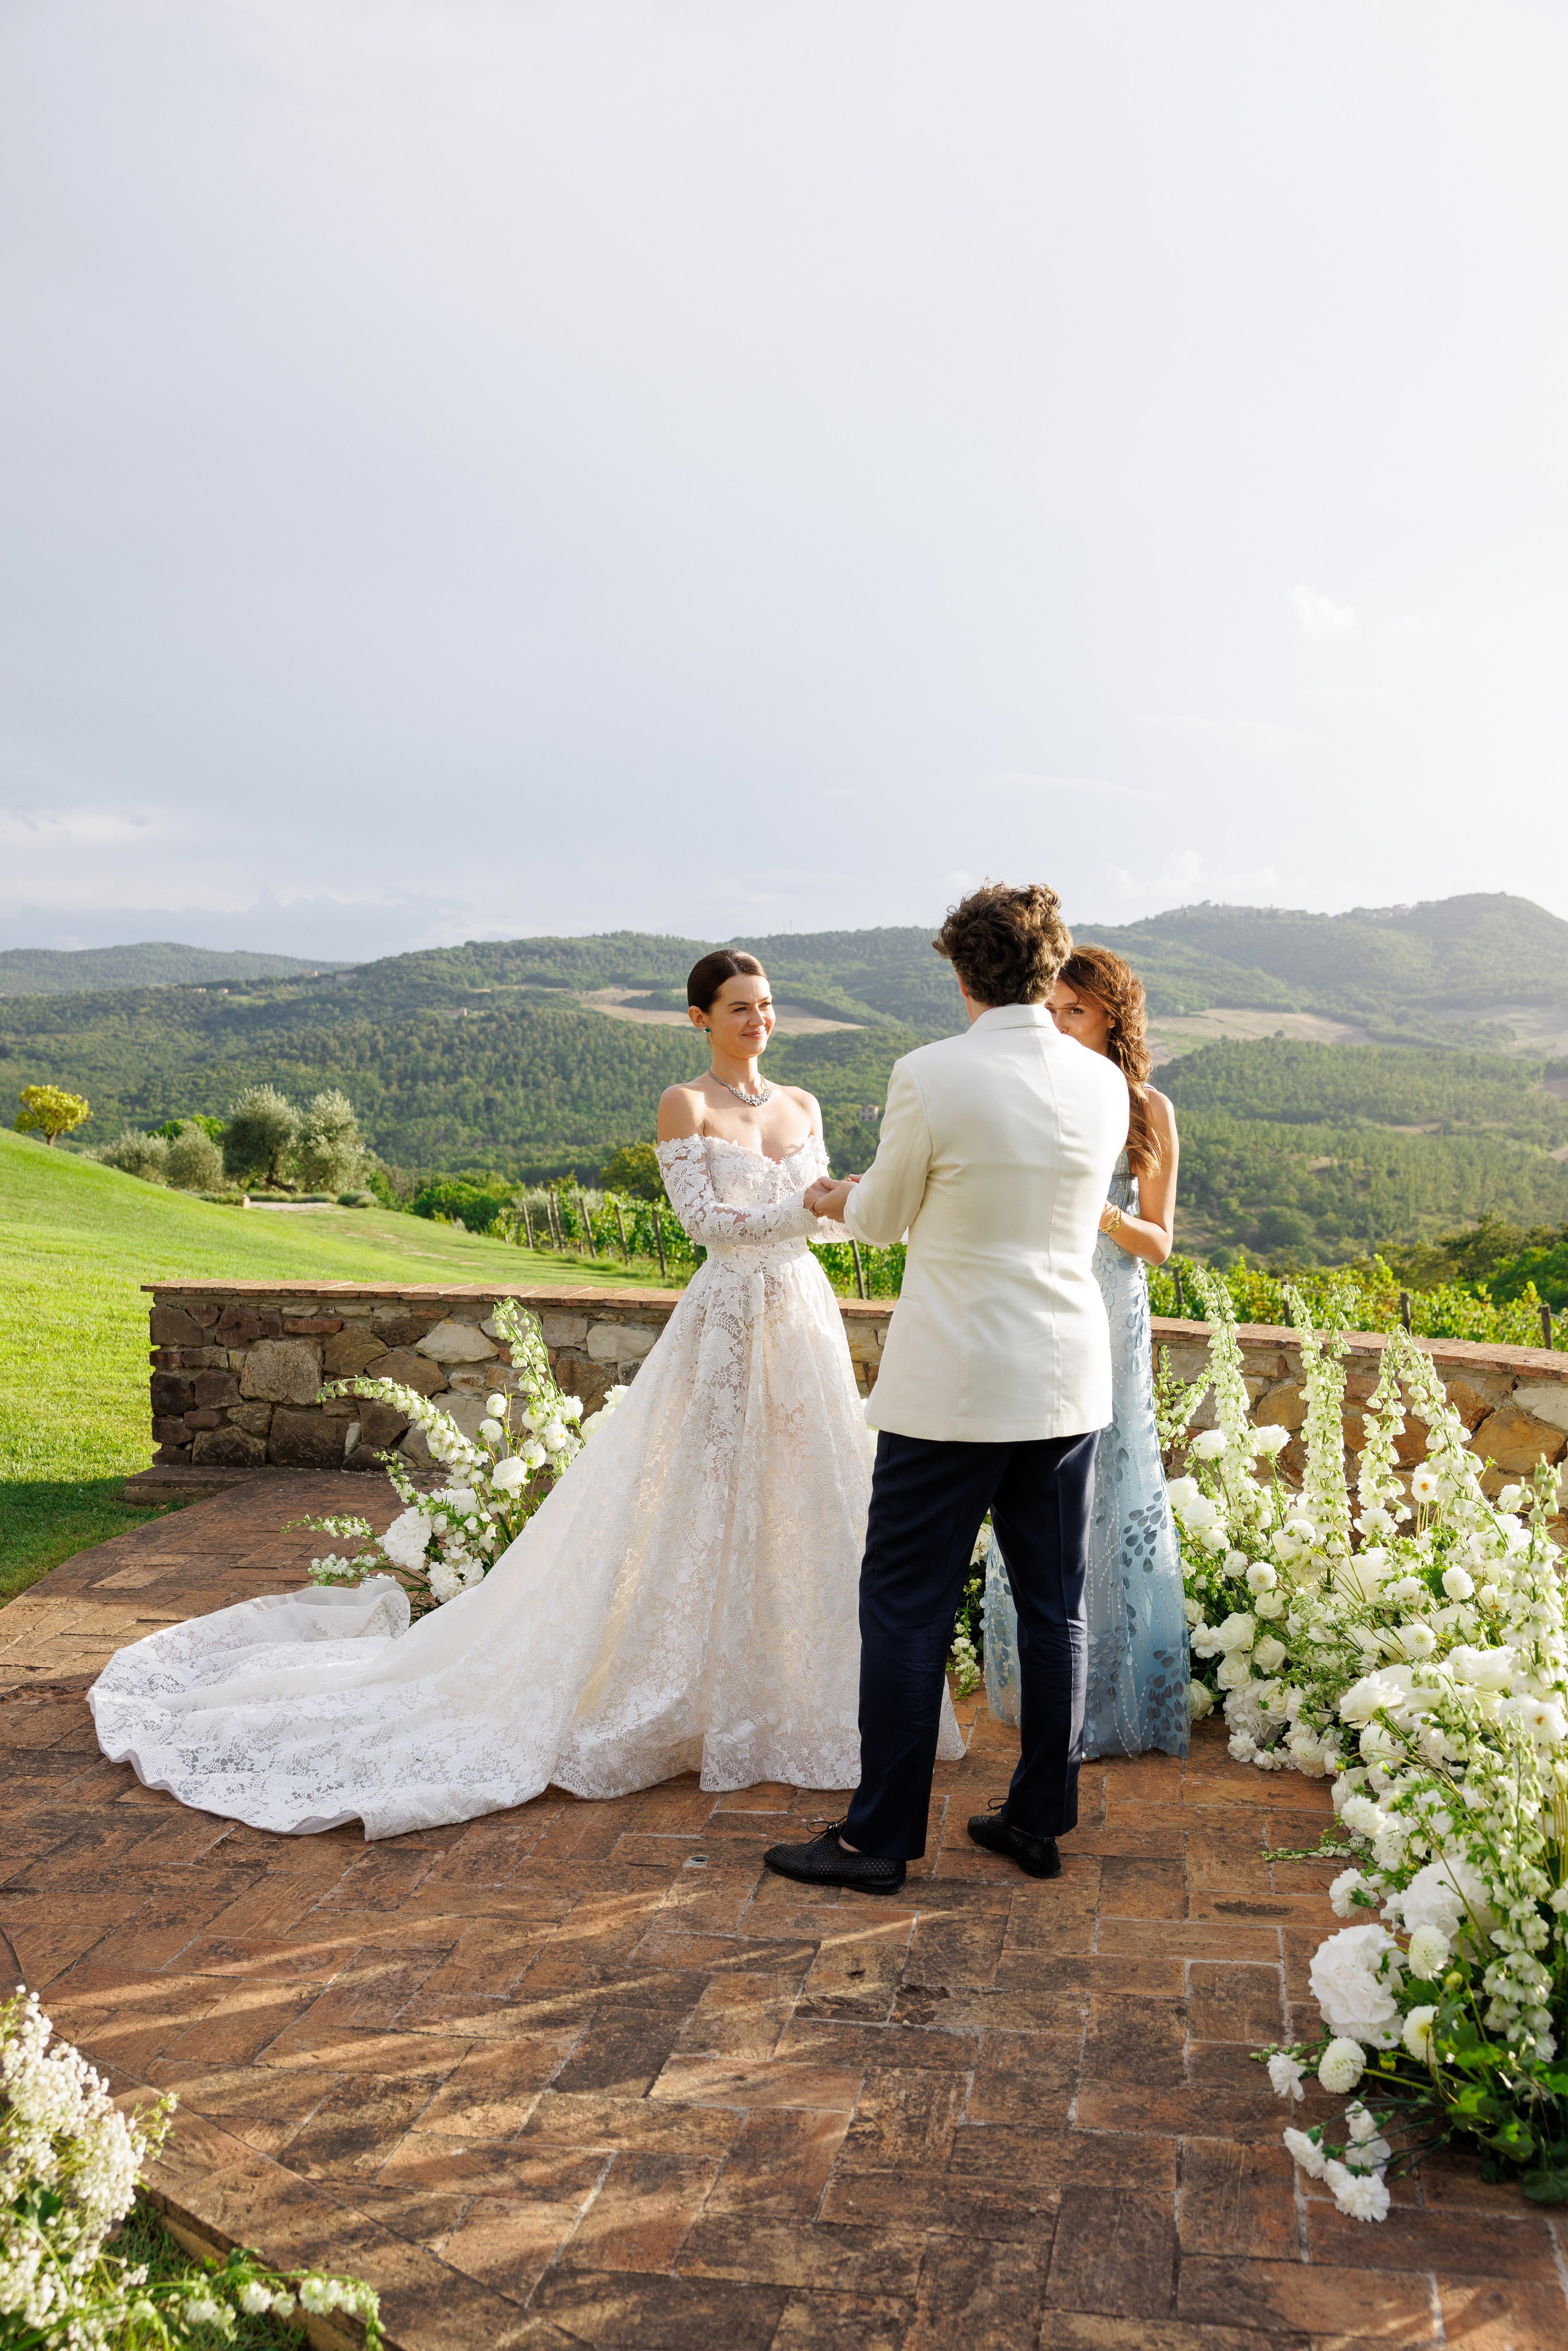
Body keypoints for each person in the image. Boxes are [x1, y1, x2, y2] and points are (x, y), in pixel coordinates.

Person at [88, 948, 960, 1839]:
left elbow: (835, 1204)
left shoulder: (804, 1106)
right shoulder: (684, 1104)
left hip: (801, 1319)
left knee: (809, 1498)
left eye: (767, 1004)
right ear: (700, 1016)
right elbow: (706, 1225)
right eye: (739, 1006)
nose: (758, 1020)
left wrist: (853, 1199)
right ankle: (685, 1693)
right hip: (728, 1323)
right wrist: (810, 1207)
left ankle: (797, 1693)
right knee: (702, 1501)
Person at [761, 883, 1129, 1900]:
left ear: (962, 974)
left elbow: (880, 1218)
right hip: (1066, 1384)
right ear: (1051, 973)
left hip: (955, 1389)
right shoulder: (1104, 1083)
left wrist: (833, 1196)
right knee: (1057, 1610)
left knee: (907, 1605)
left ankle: (877, 1838)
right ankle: (1037, 1818)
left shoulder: (930, 1073)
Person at [981, 945, 1189, 1762]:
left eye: (1077, 1010)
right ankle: (1044, 1691)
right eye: (1054, 1009)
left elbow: (1159, 1241)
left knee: (1116, 1482)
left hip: (1110, 1306)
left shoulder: (1147, 1108)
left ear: (1111, 1016)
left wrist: (1096, 1210)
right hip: (1037, 1301)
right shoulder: (1032, 1093)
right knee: (1034, 1482)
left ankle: (1117, 1690)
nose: (1061, 1023)